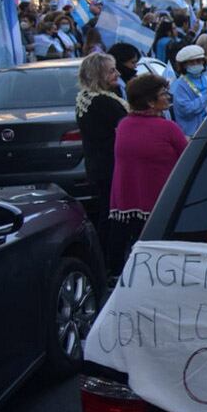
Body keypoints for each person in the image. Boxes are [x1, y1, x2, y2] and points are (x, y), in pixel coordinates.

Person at [109, 74, 188, 270]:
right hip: (161, 203)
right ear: (150, 102)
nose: (168, 97)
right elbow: (187, 158)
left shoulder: (124, 125)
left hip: (128, 203)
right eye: (163, 94)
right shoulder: (168, 128)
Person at [75, 53, 128, 274]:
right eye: (111, 71)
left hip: (99, 166)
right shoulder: (103, 102)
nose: (117, 74)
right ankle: (109, 265)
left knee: (107, 212)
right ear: (98, 75)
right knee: (112, 215)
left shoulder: (87, 97)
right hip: (110, 166)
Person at [171, 44, 207, 136]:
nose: (195, 64)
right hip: (192, 135)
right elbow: (188, 109)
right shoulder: (179, 85)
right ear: (184, 65)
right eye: (191, 62)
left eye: (198, 61)